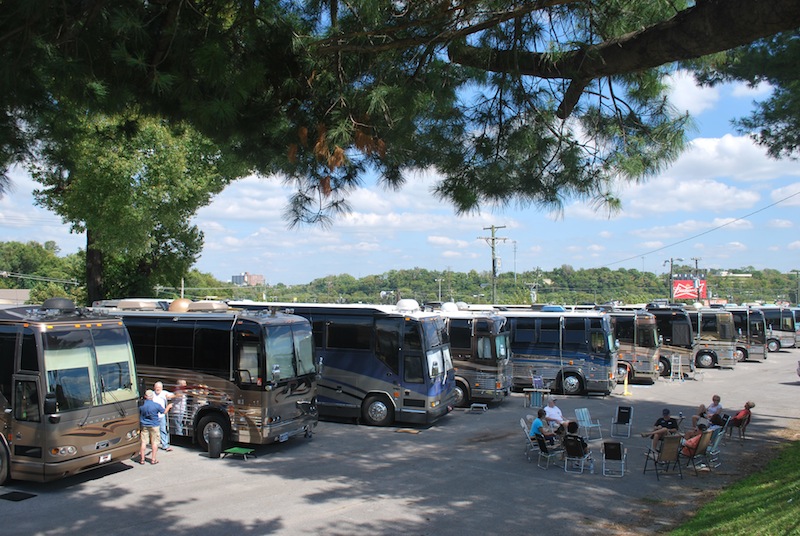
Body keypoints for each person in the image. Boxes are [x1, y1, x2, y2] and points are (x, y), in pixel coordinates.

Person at [139, 389, 163, 465]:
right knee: (154, 442)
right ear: (152, 396)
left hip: (144, 425)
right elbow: (163, 411)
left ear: (145, 396)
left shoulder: (141, 406)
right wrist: (168, 407)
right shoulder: (156, 405)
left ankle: (142, 459)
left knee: (143, 442)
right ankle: (153, 459)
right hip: (154, 425)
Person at [152, 381, 175, 451]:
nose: (157, 389)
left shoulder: (164, 393)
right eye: (156, 387)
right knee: (154, 431)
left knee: (163, 430)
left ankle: (165, 445)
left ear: (161, 388)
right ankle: (154, 445)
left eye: (159, 387)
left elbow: (174, 395)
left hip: (162, 415)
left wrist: (170, 396)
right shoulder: (152, 394)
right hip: (154, 416)